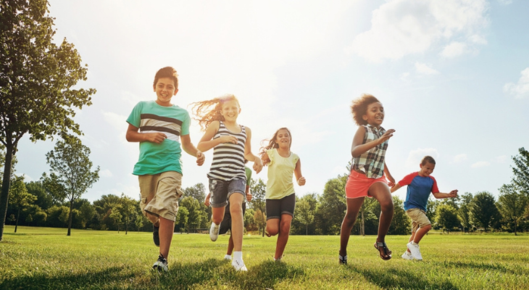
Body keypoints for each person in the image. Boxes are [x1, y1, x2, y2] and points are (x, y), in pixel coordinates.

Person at [126, 67, 205, 272]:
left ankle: (163, 259)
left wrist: (197, 153)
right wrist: (148, 136)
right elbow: (130, 134)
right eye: (161, 85)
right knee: (149, 208)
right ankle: (155, 224)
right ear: (154, 87)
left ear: (175, 91)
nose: (165, 89)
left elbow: (186, 143)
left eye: (169, 87)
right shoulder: (142, 107)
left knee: (167, 206)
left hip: (171, 165)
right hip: (147, 166)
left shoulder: (181, 114)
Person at [192, 94, 262, 271]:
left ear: (239, 109)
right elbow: (201, 146)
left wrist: (257, 159)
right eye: (227, 108)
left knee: (237, 207)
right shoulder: (217, 125)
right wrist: (221, 139)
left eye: (234, 108)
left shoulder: (246, 130)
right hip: (218, 176)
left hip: (237, 175)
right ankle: (215, 224)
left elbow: (247, 154)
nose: (230, 111)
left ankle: (237, 259)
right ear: (221, 111)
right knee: (218, 216)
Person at [339, 94, 396, 265]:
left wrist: (390, 175)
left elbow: (378, 156)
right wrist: (379, 140)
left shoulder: (382, 133)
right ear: (365, 116)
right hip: (358, 177)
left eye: (381, 109)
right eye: (374, 110)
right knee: (350, 217)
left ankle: (380, 241)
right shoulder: (363, 129)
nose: (379, 112)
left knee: (388, 203)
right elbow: (355, 151)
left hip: (377, 177)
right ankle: (342, 251)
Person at [391, 156, 458, 261]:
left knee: (415, 232)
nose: (430, 171)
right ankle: (414, 245)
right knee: (426, 225)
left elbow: (436, 194)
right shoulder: (412, 177)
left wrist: (449, 195)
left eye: (432, 169)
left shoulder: (432, 180)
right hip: (411, 207)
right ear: (421, 166)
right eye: (427, 168)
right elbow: (397, 186)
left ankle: (407, 255)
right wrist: (384, 193)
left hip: (422, 209)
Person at [260, 127, 305, 262]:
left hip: (288, 194)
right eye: (280, 136)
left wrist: (301, 181)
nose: (284, 137)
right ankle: (271, 228)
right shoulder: (271, 153)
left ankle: (277, 258)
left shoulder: (295, 158)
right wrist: (258, 165)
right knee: (273, 230)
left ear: (290, 139)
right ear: (276, 140)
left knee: (285, 226)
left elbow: (298, 179)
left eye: (286, 135)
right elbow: (260, 162)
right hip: (272, 195)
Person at [204, 161, 253, 260]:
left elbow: (247, 188)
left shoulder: (248, 171)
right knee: (222, 228)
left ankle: (228, 255)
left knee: (234, 229)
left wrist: (248, 194)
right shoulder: (229, 164)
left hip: (240, 203)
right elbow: (219, 185)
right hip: (225, 201)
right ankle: (215, 220)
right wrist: (208, 197)